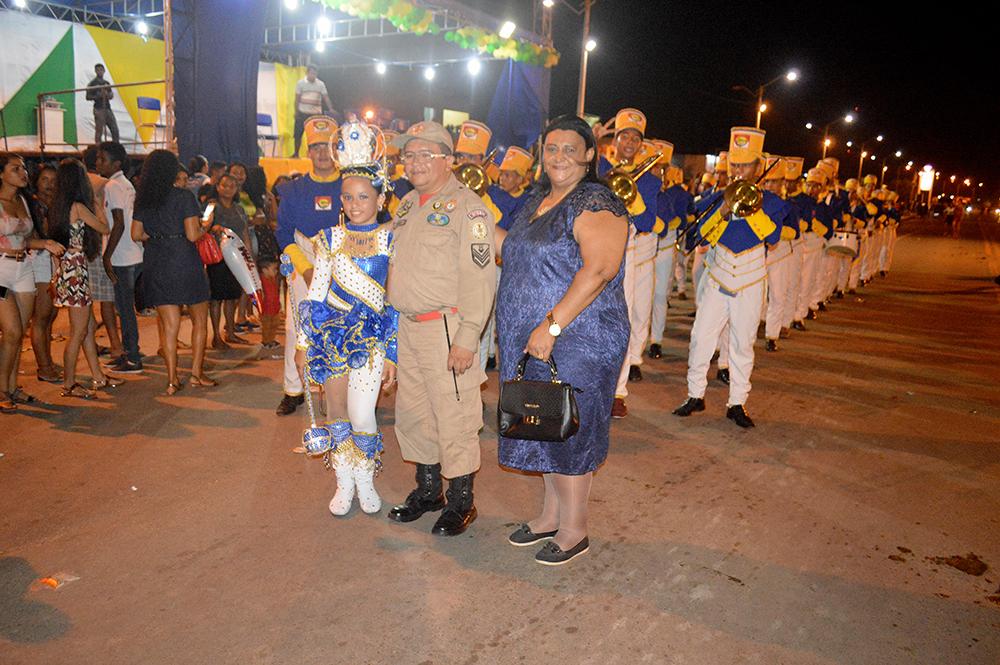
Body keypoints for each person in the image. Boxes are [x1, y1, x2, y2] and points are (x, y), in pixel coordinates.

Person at [495, 114, 630, 565]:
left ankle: (575, 530)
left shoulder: (595, 201)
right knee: (544, 423)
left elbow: (600, 269)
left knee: (570, 429)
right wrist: (468, 216)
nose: (560, 158)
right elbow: (509, 249)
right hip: (535, 337)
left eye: (571, 149)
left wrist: (552, 325)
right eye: (552, 149)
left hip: (579, 335)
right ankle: (551, 515)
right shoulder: (539, 199)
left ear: (591, 154)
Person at [385, 120, 496, 536]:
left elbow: (480, 278)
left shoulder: (469, 209)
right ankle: (429, 491)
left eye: (423, 155)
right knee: (414, 415)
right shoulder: (407, 205)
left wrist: (468, 337)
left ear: (448, 160)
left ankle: (462, 500)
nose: (413, 162)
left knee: (455, 416)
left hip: (447, 328)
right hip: (409, 327)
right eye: (407, 155)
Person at [294, 121, 399, 516]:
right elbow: (317, 292)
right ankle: (345, 482)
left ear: (379, 198)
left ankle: (367, 477)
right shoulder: (329, 240)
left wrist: (393, 353)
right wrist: (304, 346)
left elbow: (395, 301)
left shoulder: (391, 241)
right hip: (330, 337)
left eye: (362, 197)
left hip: (372, 338)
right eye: (348, 198)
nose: (354, 205)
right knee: (334, 413)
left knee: (361, 412)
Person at [672, 127, 783, 428]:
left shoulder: (771, 201)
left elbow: (773, 237)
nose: (738, 170)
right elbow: (702, 237)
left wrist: (751, 208)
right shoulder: (717, 198)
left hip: (750, 278)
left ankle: (737, 402)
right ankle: (695, 394)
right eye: (735, 164)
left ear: (757, 167)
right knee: (700, 336)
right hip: (718, 275)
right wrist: (723, 208)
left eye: (745, 164)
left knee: (742, 343)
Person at [595, 108, 661, 418]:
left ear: (641, 143)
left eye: (636, 137)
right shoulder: (602, 167)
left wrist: (629, 190)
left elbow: (648, 220)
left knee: (622, 321)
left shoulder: (649, 179)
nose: (630, 142)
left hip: (628, 249)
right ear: (616, 140)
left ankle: (618, 391)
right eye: (625, 136)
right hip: (595, 247)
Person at [275, 116, 343, 416]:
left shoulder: (353, 184)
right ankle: (294, 389)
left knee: (341, 326)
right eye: (315, 147)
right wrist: (305, 268)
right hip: (304, 263)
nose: (322, 153)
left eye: (327, 146)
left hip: (345, 264)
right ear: (308, 151)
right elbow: (283, 232)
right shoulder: (293, 190)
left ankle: (340, 389)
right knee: (296, 327)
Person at [131, 150, 214, 395]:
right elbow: (192, 234)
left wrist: (157, 236)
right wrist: (205, 226)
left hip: (156, 259)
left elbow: (136, 235)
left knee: (169, 325)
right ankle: (197, 374)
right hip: (183, 258)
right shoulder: (183, 196)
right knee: (200, 320)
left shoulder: (144, 199)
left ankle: (171, 380)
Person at [49, 158, 124, 399]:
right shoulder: (79, 206)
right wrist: (98, 205)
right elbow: (104, 228)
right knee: (79, 331)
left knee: (88, 327)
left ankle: (98, 376)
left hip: (68, 269)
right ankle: (69, 384)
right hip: (77, 270)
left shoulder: (58, 206)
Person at [1, 153, 67, 411]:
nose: (23, 172)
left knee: (19, 334)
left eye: (23, 168)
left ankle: (11, 387)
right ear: (1, 174)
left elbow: (24, 240)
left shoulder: (24, 200)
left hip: (23, 268)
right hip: (1, 271)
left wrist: (46, 243)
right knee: (12, 331)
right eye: (15, 168)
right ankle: (2, 389)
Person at [96, 141, 143, 374]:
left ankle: (132, 357)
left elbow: (119, 224)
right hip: (133, 253)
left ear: (115, 163)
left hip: (122, 257)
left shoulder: (113, 185)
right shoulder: (125, 184)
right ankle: (130, 351)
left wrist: (107, 255)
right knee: (126, 308)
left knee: (124, 309)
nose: (98, 163)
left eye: (102, 159)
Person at [82, 146, 123, 362]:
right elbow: (108, 224)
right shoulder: (104, 184)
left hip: (81, 248)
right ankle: (116, 345)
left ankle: (91, 342)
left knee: (85, 301)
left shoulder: (78, 183)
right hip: (98, 244)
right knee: (107, 299)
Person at [204, 173, 252, 349]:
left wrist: (248, 256)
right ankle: (216, 336)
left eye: (232, 186)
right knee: (216, 298)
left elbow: (245, 231)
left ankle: (230, 332)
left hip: (237, 257)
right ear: (218, 187)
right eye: (224, 185)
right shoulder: (211, 206)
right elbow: (201, 226)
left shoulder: (239, 208)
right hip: (217, 257)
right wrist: (212, 227)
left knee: (232, 296)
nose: (228, 189)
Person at [28, 163, 62, 383]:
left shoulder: (55, 204)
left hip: (54, 261)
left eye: (53, 180)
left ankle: (47, 360)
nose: (49, 184)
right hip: (39, 261)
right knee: (41, 317)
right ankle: (43, 367)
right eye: (44, 180)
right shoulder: (33, 206)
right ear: (36, 182)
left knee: (51, 316)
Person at [293, 66, 334, 157]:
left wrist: (330, 108)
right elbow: (297, 98)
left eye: (315, 74)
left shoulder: (320, 84)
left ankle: (315, 155)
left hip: (315, 115)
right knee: (297, 135)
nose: (313, 76)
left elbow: (325, 97)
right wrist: (296, 111)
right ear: (307, 73)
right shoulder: (300, 83)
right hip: (302, 113)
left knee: (315, 137)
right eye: (311, 73)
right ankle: (296, 154)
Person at [86, 64, 118, 144]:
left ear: (104, 71)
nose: (100, 71)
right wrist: (97, 96)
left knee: (114, 129)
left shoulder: (106, 83)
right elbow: (88, 97)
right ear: (95, 71)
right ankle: (98, 149)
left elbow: (111, 95)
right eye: (98, 70)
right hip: (98, 109)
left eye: (101, 70)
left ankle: (116, 147)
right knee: (99, 130)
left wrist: (107, 95)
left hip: (107, 108)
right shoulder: (92, 83)